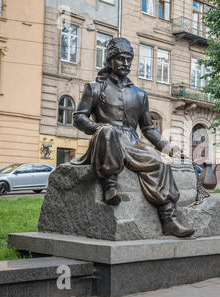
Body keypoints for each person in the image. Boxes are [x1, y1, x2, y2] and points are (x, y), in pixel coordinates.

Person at [71, 37, 195, 237]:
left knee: (161, 164)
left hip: (132, 142)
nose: (126, 64)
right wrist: (98, 128)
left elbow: (148, 129)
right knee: (108, 132)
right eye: (121, 59)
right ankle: (109, 186)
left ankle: (169, 219)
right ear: (110, 60)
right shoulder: (94, 88)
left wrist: (167, 148)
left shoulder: (139, 94)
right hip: (105, 140)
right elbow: (78, 117)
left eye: (129, 59)